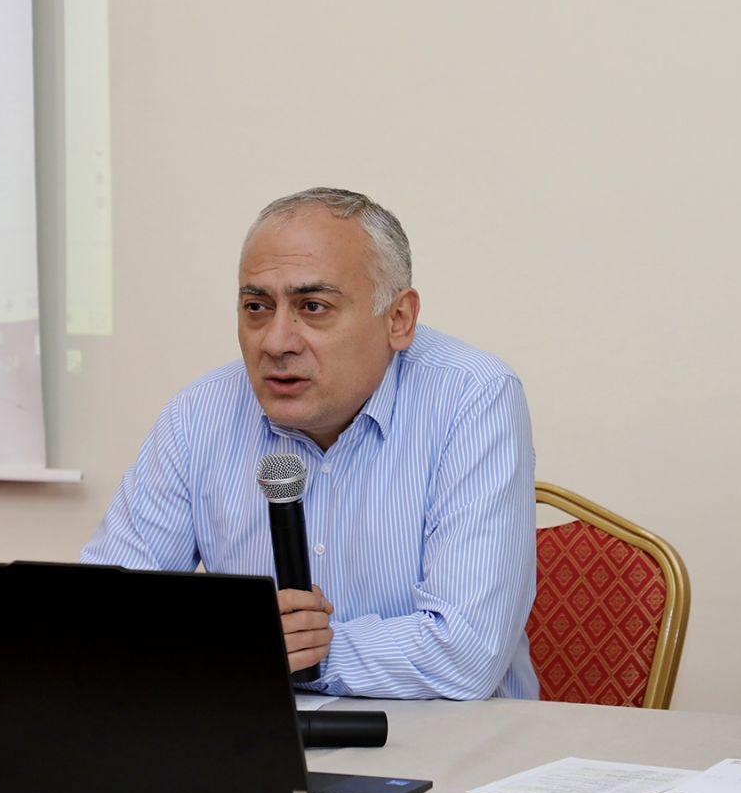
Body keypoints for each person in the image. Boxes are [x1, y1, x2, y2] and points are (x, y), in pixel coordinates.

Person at [81, 187, 538, 700]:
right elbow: (102, 620)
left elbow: (467, 652)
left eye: (313, 306)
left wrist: (289, 652)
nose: (276, 342)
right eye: (257, 307)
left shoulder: (473, 397)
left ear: (398, 319)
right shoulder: (198, 414)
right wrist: (243, 647)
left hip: (455, 739)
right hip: (256, 736)